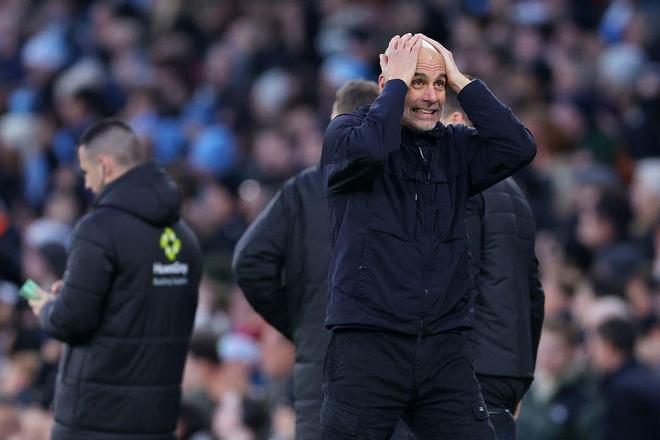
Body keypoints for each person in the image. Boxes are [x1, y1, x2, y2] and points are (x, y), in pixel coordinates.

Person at [319, 33, 536, 439]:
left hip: (443, 350)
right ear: (386, 84)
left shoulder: (454, 146)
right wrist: (397, 85)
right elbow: (371, 150)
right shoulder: (345, 133)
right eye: (417, 81)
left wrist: (461, 81)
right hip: (368, 347)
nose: (432, 97)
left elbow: (518, 146)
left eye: (439, 84)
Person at [234, 79, 416, 439]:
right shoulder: (414, 187)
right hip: (398, 379)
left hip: (323, 373)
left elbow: (250, 262)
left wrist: (299, 323)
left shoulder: (304, 189)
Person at [26, 119, 203, 440]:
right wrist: (80, 292)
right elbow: (137, 306)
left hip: (95, 421)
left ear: (105, 166)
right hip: (157, 422)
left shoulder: (98, 229)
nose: (87, 184)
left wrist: (48, 308)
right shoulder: (185, 238)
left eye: (86, 171)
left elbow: (70, 321)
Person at [466, 174, 545, 439]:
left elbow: (459, 283)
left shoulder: (463, 185)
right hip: (509, 372)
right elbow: (534, 294)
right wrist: (523, 371)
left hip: (469, 369)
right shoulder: (514, 190)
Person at [588, 317, 660, 440]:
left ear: (609, 347)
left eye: (595, 347)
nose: (590, 354)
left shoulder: (625, 391)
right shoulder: (640, 375)